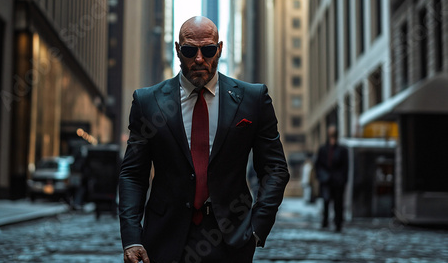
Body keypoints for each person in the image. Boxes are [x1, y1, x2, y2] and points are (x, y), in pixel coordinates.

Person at [119, 16, 290, 263]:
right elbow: (133, 175)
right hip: (164, 239)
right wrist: (132, 237)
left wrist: (256, 227)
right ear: (178, 50)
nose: (199, 58)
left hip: (231, 240)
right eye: (190, 50)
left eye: (208, 49)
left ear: (219, 49)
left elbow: (275, 169)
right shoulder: (148, 102)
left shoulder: (253, 99)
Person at [315, 125, 348, 232]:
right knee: (325, 201)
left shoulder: (342, 150)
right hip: (326, 181)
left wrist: (343, 180)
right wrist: (321, 177)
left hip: (338, 182)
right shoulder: (323, 149)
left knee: (338, 204)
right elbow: (318, 165)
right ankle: (325, 222)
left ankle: (338, 223)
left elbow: (345, 167)